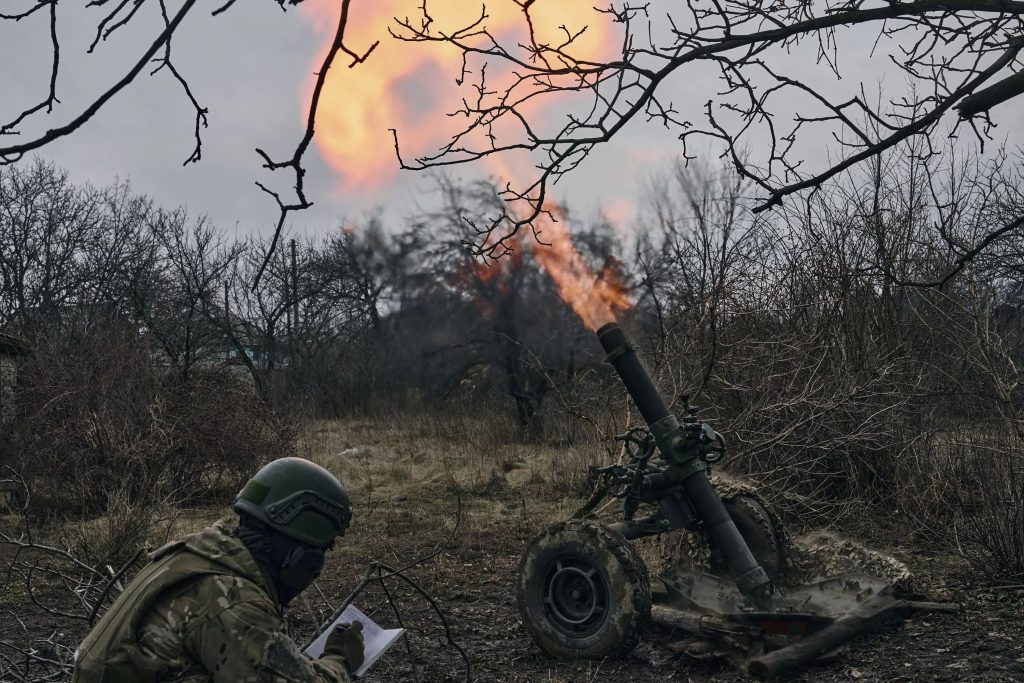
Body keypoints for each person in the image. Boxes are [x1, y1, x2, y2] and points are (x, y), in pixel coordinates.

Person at [72, 457, 364, 683]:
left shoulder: (196, 554)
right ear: (299, 555)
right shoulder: (231, 599)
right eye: (321, 552)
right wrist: (339, 659)